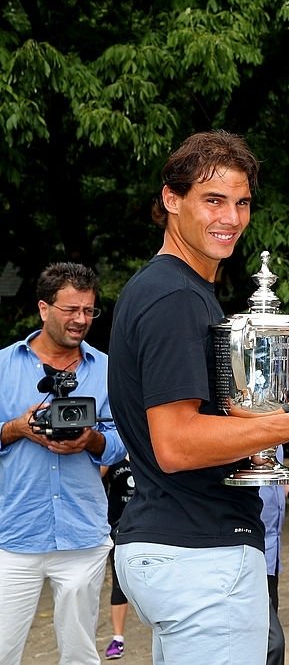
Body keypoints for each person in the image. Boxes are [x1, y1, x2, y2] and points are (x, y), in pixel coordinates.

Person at [108, 130, 289, 665]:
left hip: (176, 547)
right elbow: (177, 443)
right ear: (172, 200)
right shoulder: (175, 296)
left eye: (242, 203)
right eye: (213, 200)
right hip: (199, 555)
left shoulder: (171, 289)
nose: (230, 218)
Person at [0, 262, 127, 665]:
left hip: (82, 533)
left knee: (80, 655)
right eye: (71, 310)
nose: (81, 320)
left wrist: (92, 440)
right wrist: (16, 429)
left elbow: (127, 439)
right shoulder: (2, 365)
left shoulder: (108, 369)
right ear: (43, 308)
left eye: (89, 311)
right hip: (13, 533)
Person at [102, 456, 136, 660]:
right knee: (118, 584)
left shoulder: (149, 452)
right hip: (117, 528)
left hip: (148, 527)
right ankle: (118, 638)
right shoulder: (113, 457)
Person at [258, 448, 286, 665]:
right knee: (271, 645)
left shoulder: (274, 432)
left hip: (271, 555)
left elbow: (273, 480)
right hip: (246, 553)